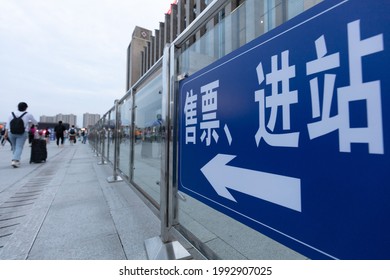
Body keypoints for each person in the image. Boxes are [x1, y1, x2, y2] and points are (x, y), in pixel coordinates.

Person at [4, 102, 38, 168]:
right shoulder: (28, 114)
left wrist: (6, 133)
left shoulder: (11, 114)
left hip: (11, 132)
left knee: (14, 146)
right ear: (26, 108)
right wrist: (35, 124)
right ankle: (15, 160)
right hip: (22, 133)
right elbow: (35, 122)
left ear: (17, 106)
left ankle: (16, 159)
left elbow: (8, 125)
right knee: (19, 147)